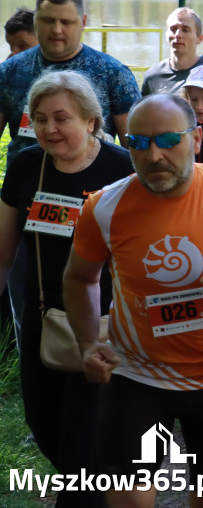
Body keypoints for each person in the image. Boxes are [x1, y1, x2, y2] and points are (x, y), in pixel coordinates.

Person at [62, 93, 203, 507]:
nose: (154, 155)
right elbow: (79, 278)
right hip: (136, 379)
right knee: (128, 499)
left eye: (168, 140)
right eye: (139, 143)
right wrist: (88, 342)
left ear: (196, 138)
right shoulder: (103, 206)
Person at [0, 71, 134, 507]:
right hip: (43, 324)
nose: (49, 129)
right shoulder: (25, 166)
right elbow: (3, 252)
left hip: (107, 326)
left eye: (61, 118)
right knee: (48, 431)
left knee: (86, 447)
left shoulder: (123, 169)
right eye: (39, 118)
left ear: (92, 121)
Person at [0, 0, 140, 162]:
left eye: (66, 22)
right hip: (28, 183)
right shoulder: (7, 72)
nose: (57, 29)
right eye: (48, 21)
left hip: (93, 186)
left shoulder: (113, 73)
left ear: (83, 22)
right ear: (36, 20)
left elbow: (137, 148)